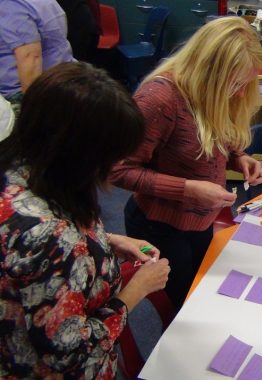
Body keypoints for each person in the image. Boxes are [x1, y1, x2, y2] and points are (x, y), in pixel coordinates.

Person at [0, 62, 170, 379]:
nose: (120, 163)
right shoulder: (53, 238)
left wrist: (106, 242)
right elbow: (68, 356)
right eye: (114, 154)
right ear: (81, 156)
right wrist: (136, 290)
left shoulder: (28, 175)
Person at [110, 17, 262, 311]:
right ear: (209, 72)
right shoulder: (160, 98)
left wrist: (239, 158)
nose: (241, 93)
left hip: (199, 221)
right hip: (160, 227)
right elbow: (117, 169)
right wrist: (187, 189)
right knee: (183, 310)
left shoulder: (213, 93)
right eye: (235, 83)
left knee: (203, 298)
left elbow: (210, 141)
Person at [0, 0, 75, 104]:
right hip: (61, 78)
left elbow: (31, 58)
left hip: (22, 93)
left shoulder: (10, 7)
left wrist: (31, 108)